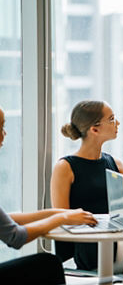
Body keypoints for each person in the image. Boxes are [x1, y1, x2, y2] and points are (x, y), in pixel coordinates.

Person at [0, 106, 97, 284]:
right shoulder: (66, 165)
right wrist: (62, 218)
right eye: (1, 127)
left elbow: (6, 220)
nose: (4, 134)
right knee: (48, 264)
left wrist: (61, 214)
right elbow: (15, 237)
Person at [50, 100, 123, 271]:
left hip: (116, 240)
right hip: (85, 246)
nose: (117, 123)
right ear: (94, 129)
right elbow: (61, 216)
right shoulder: (65, 167)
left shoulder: (116, 164)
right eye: (111, 119)